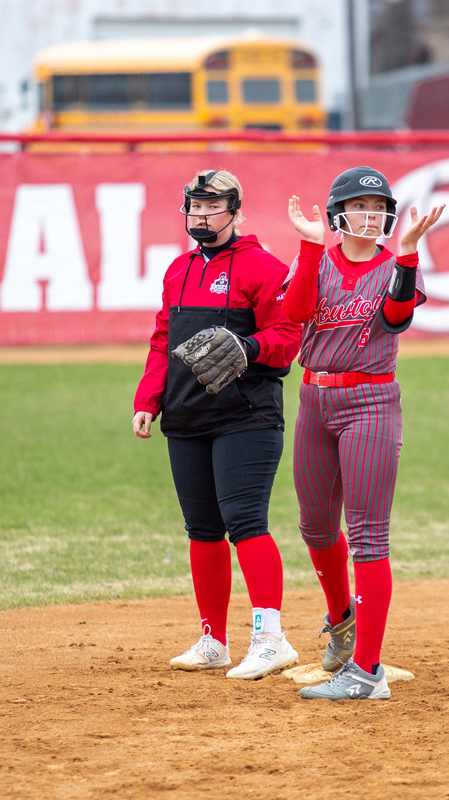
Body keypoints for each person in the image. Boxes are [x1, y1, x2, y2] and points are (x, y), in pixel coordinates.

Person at [133, 169, 302, 680]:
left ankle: (271, 639)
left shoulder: (263, 268)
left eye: (213, 207)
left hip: (245, 417)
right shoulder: (177, 270)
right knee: (202, 530)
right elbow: (163, 340)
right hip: (186, 416)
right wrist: (150, 397)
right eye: (195, 207)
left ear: (235, 210)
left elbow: (289, 336)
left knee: (246, 524)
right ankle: (213, 640)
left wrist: (250, 346)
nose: (202, 216)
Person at [283, 165, 444, 700]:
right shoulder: (317, 259)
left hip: (370, 401)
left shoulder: (397, 264)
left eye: (379, 210)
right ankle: (343, 624)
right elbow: (296, 310)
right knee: (314, 526)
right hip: (314, 397)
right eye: (361, 208)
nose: (372, 217)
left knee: (368, 536)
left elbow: (397, 317)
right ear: (339, 215)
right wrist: (308, 247)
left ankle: (368, 672)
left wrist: (410, 251)